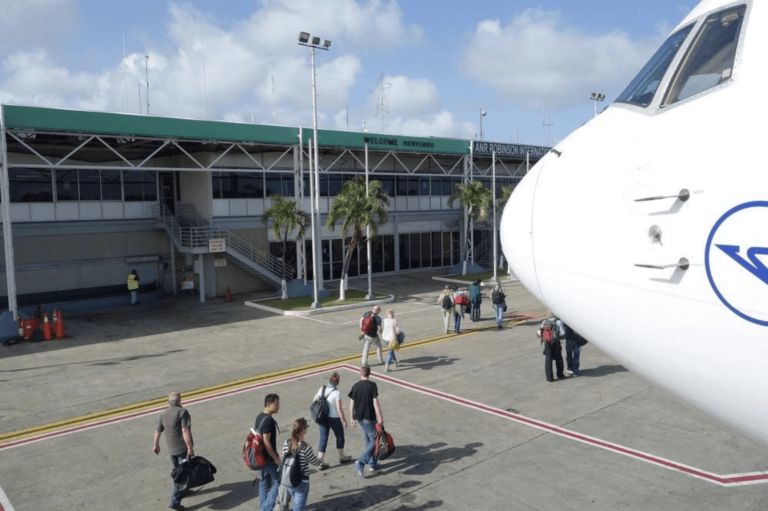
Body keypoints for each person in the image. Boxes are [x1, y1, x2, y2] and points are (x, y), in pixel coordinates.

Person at [152, 391, 194, 511]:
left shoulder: (163, 414)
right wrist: (190, 448)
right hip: (182, 450)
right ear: (180, 400)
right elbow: (185, 430)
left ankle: (184, 489)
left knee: (178, 471)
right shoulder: (182, 412)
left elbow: (157, 431)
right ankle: (175, 501)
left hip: (172, 451)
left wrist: (156, 445)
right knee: (181, 475)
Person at [274, 418, 326, 511]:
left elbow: (282, 459)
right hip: (301, 482)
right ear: (303, 430)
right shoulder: (305, 447)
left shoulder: (287, 443)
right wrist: (321, 461)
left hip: (287, 480)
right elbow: (314, 462)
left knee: (284, 505)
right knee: (299, 508)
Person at [348, 365, 384, 478]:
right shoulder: (372, 385)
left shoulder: (355, 386)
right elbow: (375, 403)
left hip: (359, 418)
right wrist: (380, 417)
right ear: (370, 373)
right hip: (369, 418)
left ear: (360, 373)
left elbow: (351, 404)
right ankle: (361, 461)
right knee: (375, 441)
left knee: (368, 441)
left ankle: (372, 464)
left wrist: (351, 418)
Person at [313, 372, 352, 465]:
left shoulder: (322, 388)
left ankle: (321, 461)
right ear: (338, 382)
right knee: (339, 435)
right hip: (333, 418)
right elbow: (339, 409)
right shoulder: (337, 393)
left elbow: (314, 400)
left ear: (329, 379)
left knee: (323, 437)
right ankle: (341, 457)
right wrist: (344, 421)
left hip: (322, 417)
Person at [254, 393, 281, 511]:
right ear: (269, 404)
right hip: (267, 459)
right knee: (279, 481)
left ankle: (262, 508)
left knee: (264, 482)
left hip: (259, 457)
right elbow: (266, 442)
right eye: (276, 404)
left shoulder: (259, 416)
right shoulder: (268, 421)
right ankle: (266, 508)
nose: (278, 406)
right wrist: (275, 458)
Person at [541, 318, 566, 382]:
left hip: (547, 343)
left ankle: (549, 378)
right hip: (556, 343)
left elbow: (541, 332)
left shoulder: (544, 321)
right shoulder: (558, 322)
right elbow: (563, 333)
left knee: (548, 360)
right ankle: (560, 374)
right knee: (559, 359)